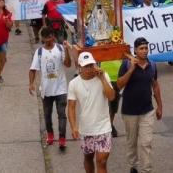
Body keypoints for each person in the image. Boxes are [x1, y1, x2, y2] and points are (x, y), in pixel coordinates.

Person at [116, 37, 163, 173]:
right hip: (129, 112)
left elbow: (155, 86)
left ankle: (146, 169)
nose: (144, 51)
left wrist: (160, 106)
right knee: (131, 143)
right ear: (135, 50)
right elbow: (119, 85)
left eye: (146, 48)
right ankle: (133, 166)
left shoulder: (152, 65)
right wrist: (131, 69)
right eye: (141, 48)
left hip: (147, 111)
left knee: (146, 143)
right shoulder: (126, 64)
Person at [68, 52, 116, 173]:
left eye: (91, 65)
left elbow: (111, 97)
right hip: (86, 129)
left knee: (102, 161)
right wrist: (74, 127)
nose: (89, 69)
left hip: (103, 128)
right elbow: (71, 107)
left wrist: (102, 79)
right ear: (80, 67)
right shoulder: (74, 84)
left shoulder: (103, 76)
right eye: (86, 66)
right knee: (88, 158)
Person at [29, 28, 72, 149]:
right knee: (47, 115)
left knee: (61, 114)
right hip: (46, 90)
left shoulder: (60, 49)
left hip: (61, 88)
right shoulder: (39, 52)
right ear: (42, 38)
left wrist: (67, 50)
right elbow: (33, 69)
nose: (48, 40)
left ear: (53, 36)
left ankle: (62, 138)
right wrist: (31, 83)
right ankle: (50, 135)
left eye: (50, 37)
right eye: (45, 38)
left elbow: (68, 64)